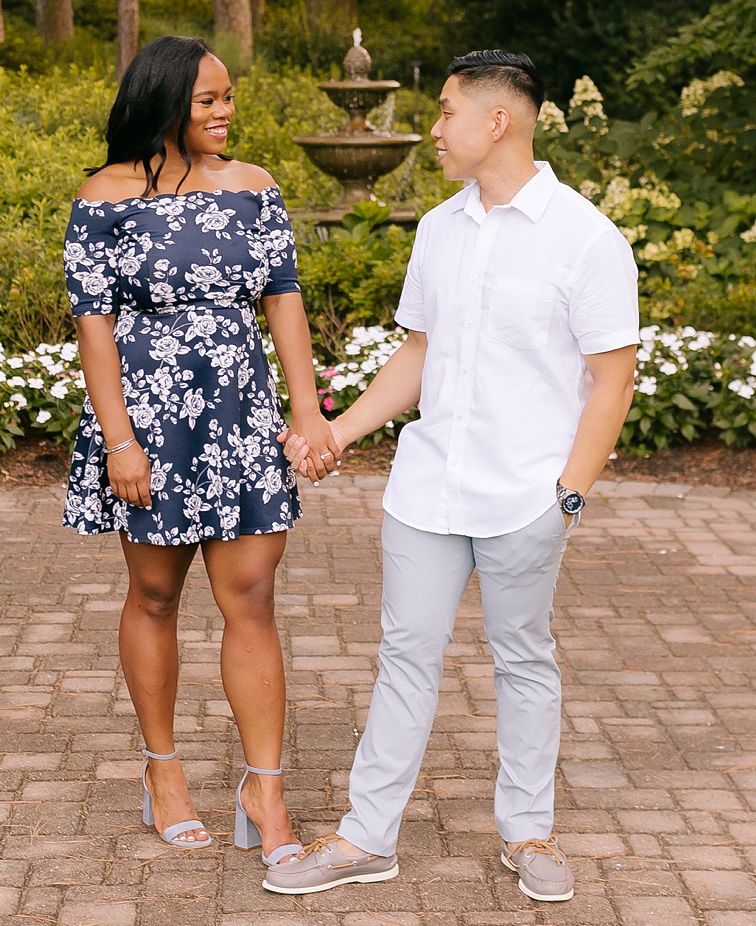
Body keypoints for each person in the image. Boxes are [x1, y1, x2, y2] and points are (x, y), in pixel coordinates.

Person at [267, 50, 639, 902]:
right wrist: (337, 431)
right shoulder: (440, 228)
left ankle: (529, 833)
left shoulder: (586, 238)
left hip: (526, 496)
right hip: (428, 490)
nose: (433, 129)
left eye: (444, 113)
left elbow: (612, 377)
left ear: (497, 121)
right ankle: (368, 839)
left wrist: (568, 496)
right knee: (405, 653)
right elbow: (421, 354)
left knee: (522, 659)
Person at [64, 35, 341, 865]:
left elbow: (283, 301)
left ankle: (266, 788)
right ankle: (164, 773)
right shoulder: (104, 196)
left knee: (250, 594)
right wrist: (120, 440)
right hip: (149, 419)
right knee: (154, 596)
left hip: (238, 413)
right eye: (210, 99)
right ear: (165, 103)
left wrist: (308, 411)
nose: (227, 112)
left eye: (229, 97)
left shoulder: (256, 190)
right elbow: (95, 328)